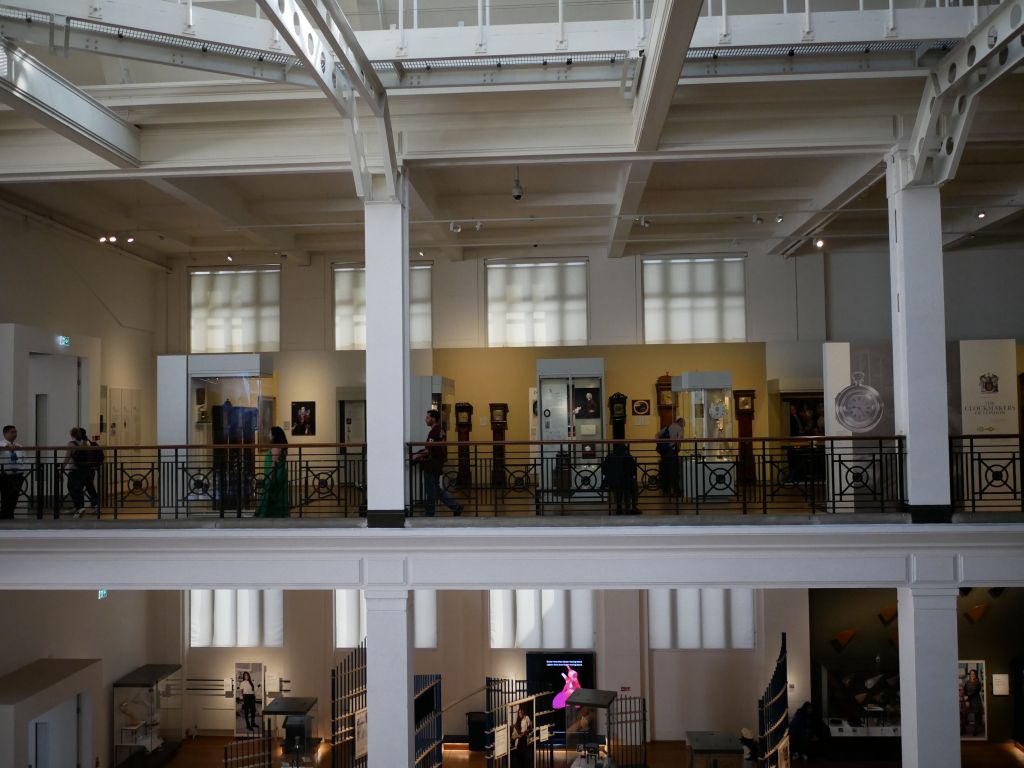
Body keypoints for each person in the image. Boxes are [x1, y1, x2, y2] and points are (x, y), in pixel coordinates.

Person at [412, 410, 461, 517]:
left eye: (428, 417)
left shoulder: (434, 432)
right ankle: (455, 506)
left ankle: (429, 513)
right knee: (436, 489)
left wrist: (416, 456)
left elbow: (428, 449)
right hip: (437, 463)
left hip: (432, 464)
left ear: (433, 419)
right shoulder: (440, 430)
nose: (426, 419)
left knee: (430, 490)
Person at [63, 427, 99, 517]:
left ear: (72, 435)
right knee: (90, 488)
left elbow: (67, 457)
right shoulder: (86, 443)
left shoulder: (71, 444)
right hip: (87, 470)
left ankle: (79, 507)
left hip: (75, 470)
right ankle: (94, 505)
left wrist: (62, 467)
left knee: (73, 488)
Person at [257, 426, 290, 517]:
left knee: (270, 494)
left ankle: (268, 514)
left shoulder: (276, 448)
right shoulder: (279, 447)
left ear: (274, 435)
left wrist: (270, 477)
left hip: (274, 475)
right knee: (277, 495)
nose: (268, 435)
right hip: (278, 474)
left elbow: (273, 464)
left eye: (270, 433)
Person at [601, 444, 638, 514]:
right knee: (630, 486)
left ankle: (619, 507)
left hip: (612, 482)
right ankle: (630, 507)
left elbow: (604, 470)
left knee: (618, 487)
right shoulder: (627, 457)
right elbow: (633, 471)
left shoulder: (609, 457)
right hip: (625, 482)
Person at [1, 425, 26, 520]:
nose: (15, 434)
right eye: (12, 432)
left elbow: (24, 460)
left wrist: (22, 470)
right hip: (5, 475)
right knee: (5, 496)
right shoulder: (2, 444)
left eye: (15, 432)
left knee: (14, 497)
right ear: (5, 433)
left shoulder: (19, 446)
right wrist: (7, 446)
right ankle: (4, 515)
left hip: (18, 475)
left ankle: (10, 515)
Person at [963, 668, 984, 736]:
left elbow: (976, 692)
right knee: (964, 714)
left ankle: (975, 731)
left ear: (976, 675)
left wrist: (968, 697)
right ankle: (963, 730)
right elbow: (965, 691)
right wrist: (966, 700)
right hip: (968, 700)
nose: (972, 675)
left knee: (976, 716)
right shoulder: (967, 682)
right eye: (971, 674)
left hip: (975, 700)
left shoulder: (978, 683)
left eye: (973, 674)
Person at [510, 703, 532, 767]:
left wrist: (526, 731)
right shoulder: (517, 722)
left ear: (523, 711)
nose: (520, 713)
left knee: (524, 757)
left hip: (524, 739)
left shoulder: (526, 718)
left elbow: (531, 728)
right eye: (519, 712)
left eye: (521, 712)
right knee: (519, 758)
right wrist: (515, 735)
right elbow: (513, 735)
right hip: (519, 741)